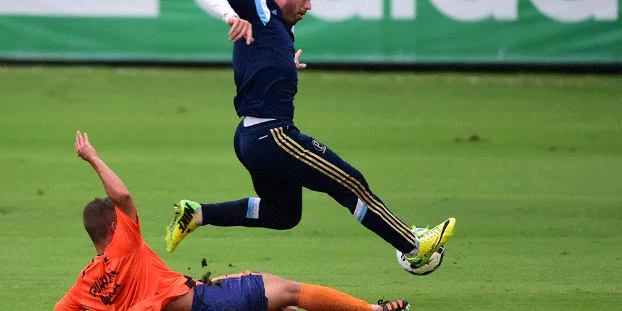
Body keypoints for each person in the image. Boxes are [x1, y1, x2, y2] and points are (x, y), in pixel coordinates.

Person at [166, 0, 455, 270]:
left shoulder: (279, 27)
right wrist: (230, 16)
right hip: (273, 135)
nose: (309, 5)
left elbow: (257, 63)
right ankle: (413, 246)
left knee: (283, 214)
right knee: (350, 183)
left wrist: (284, 64)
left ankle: (197, 214)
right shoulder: (259, 2)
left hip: (250, 137)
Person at [55, 131, 410, 311]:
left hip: (195, 293)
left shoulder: (85, 286)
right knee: (289, 290)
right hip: (203, 305)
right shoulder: (125, 245)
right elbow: (125, 198)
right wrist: (92, 158)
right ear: (114, 227)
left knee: (278, 305)